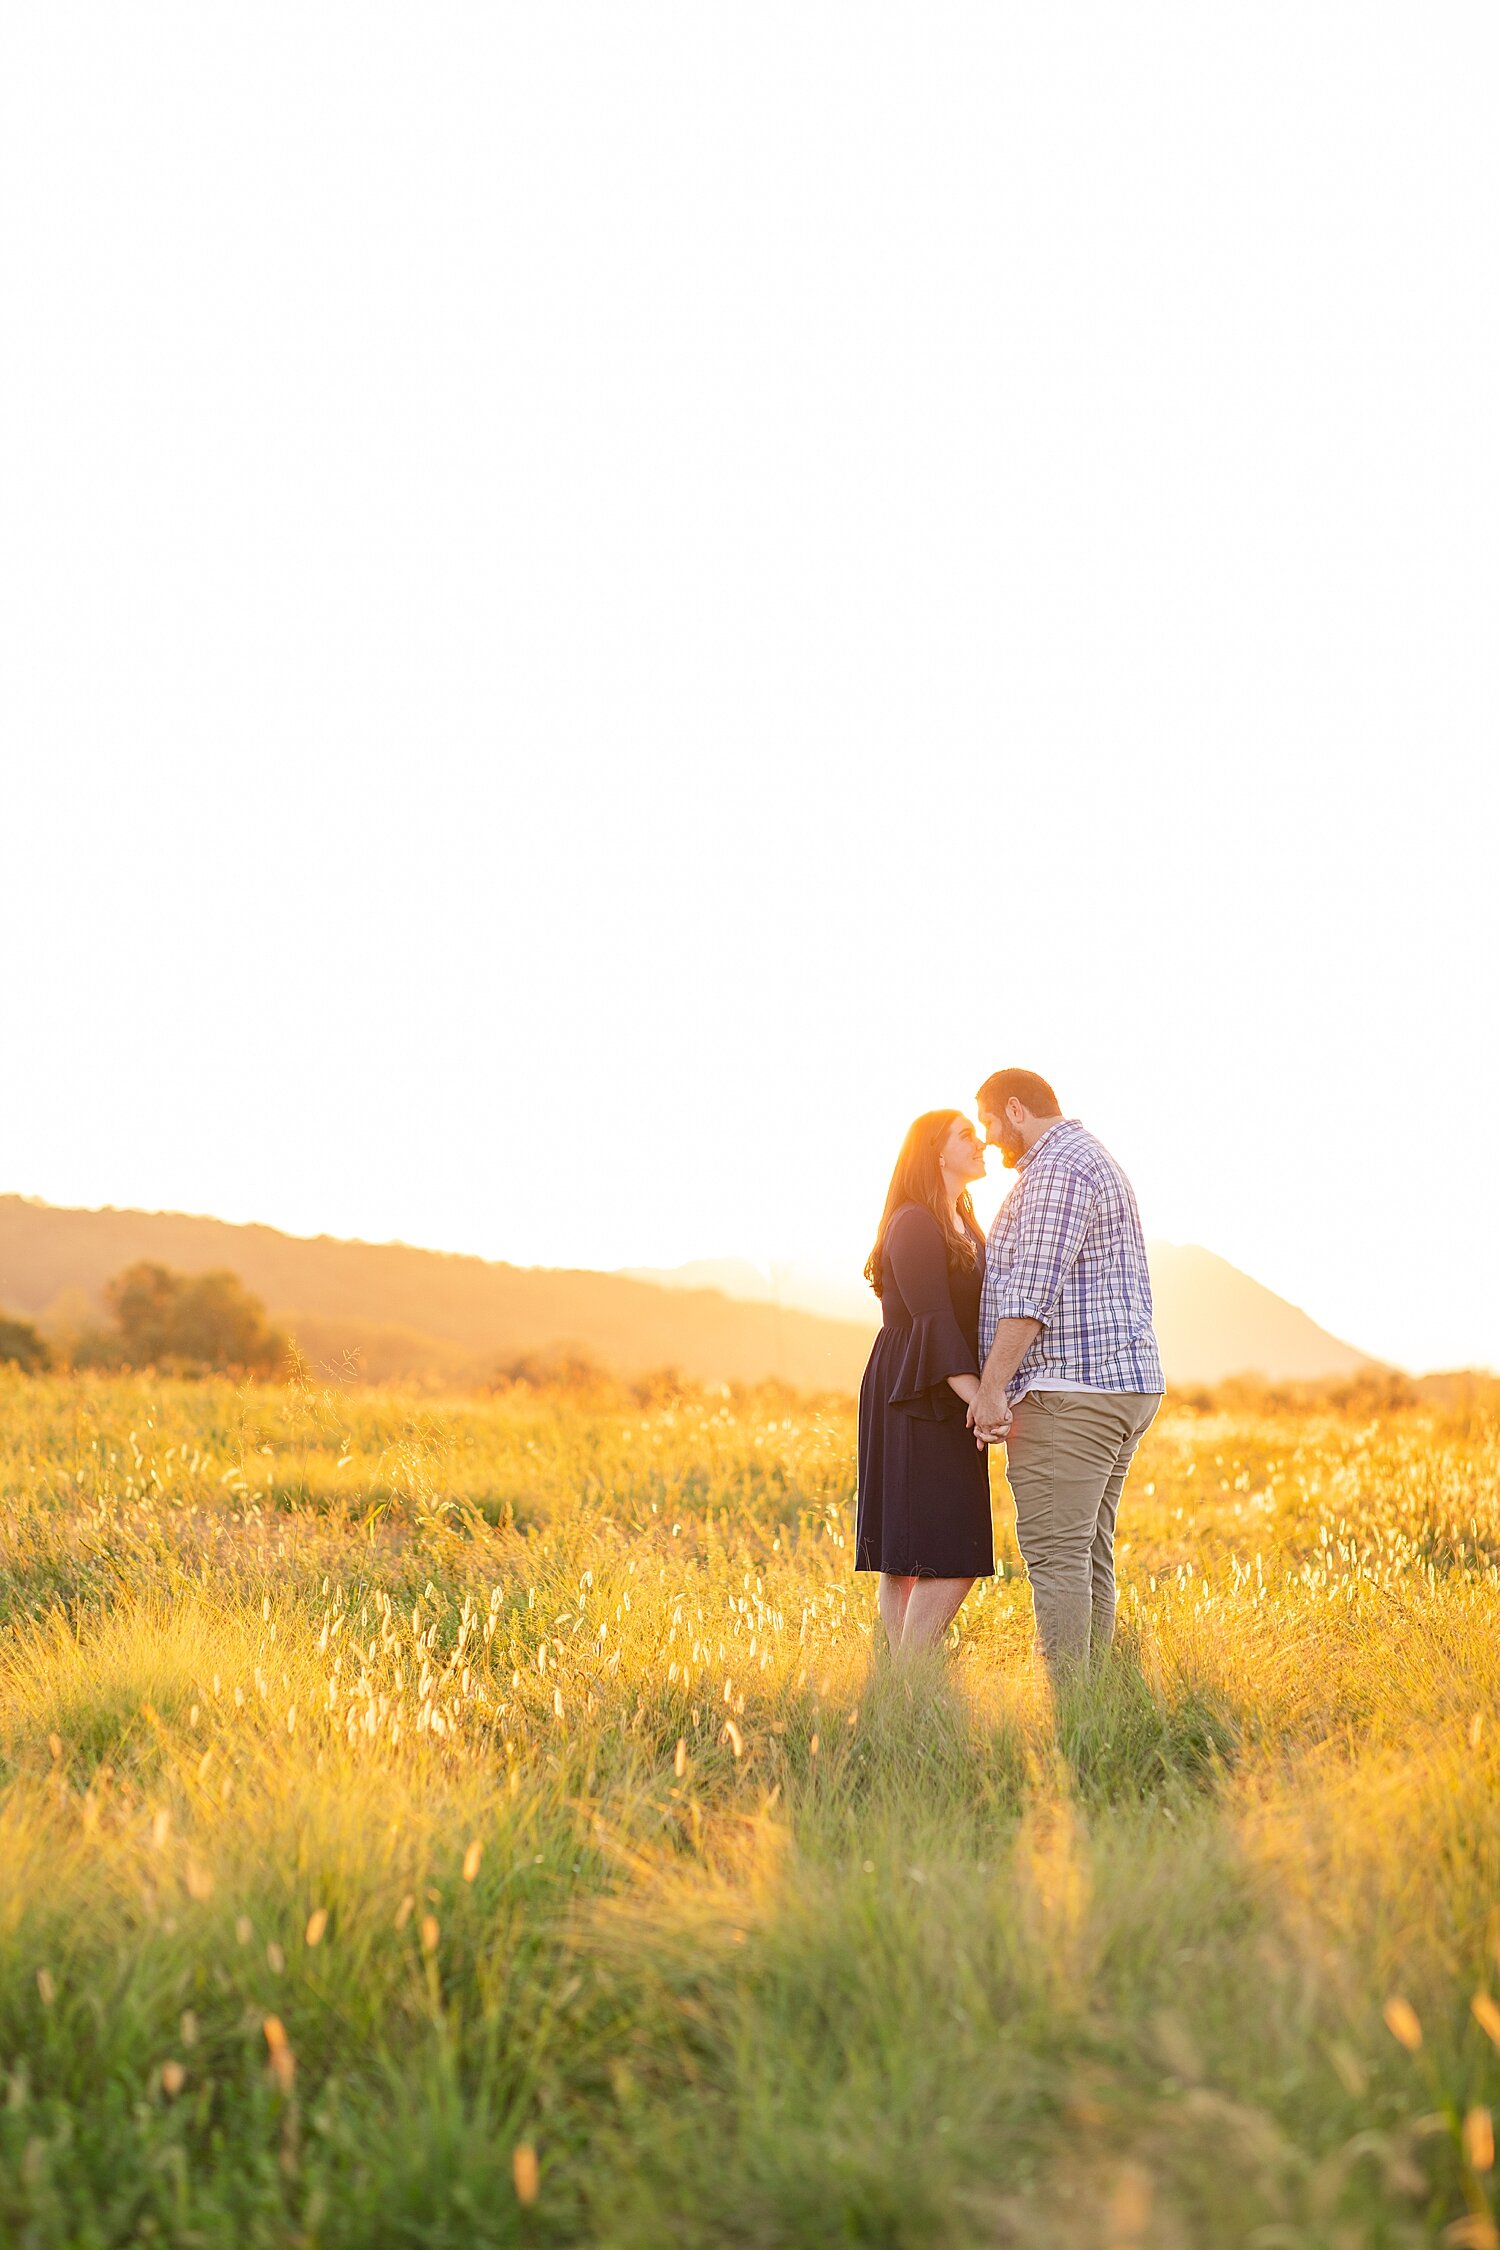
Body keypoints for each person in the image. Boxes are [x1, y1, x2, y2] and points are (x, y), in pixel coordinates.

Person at [968, 1069, 1163, 1679]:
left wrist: (993, 1388)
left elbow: (1029, 1294)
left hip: (1072, 1391)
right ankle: (1096, 1703)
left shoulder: (1056, 1171)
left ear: (1017, 1109)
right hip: (1118, 1385)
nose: (989, 1140)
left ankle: (1070, 1713)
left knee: (1056, 1557)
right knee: (1086, 1553)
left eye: (990, 1124)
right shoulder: (1088, 1158)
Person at [856, 1110, 994, 1656]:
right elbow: (932, 1318)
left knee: (916, 1547)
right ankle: (913, 1677)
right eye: (967, 1135)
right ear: (936, 1151)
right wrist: (980, 1400)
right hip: (914, 1389)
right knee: (939, 1549)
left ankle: (902, 1686)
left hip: (945, 1383)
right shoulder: (914, 1221)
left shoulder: (962, 1216)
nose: (980, 1142)